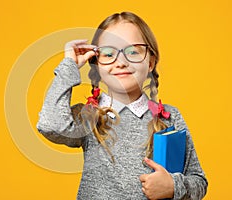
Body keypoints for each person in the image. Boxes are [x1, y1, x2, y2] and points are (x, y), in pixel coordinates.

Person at [37, 11, 208, 199]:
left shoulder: (169, 116)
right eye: (109, 53)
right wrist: (69, 65)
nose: (121, 62)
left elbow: (198, 181)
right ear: (97, 66)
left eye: (133, 51)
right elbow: (49, 125)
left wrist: (173, 186)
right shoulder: (90, 115)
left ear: (150, 62)